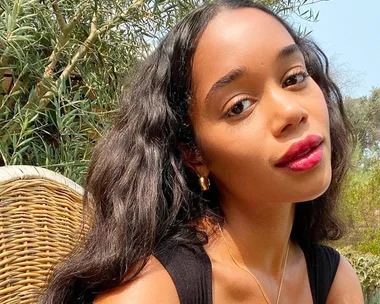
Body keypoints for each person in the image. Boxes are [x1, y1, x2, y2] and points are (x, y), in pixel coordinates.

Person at [41, 0, 364, 303]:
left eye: (294, 78)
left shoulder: (333, 281)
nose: (290, 112)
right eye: (239, 106)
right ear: (194, 154)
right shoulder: (153, 293)